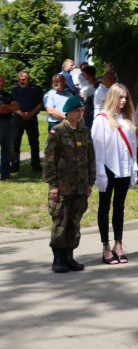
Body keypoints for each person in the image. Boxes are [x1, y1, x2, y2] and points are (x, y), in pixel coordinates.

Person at [43, 95, 94, 273]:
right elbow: (50, 161)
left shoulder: (85, 131)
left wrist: (90, 182)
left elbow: (90, 159)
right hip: (63, 186)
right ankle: (58, 258)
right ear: (68, 112)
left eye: (82, 111)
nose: (80, 114)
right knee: (61, 222)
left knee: (75, 221)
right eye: (77, 111)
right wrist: (53, 185)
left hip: (80, 186)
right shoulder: (57, 132)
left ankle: (70, 256)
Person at [92, 83, 138, 264]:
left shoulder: (128, 117)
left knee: (119, 207)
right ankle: (105, 246)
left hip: (125, 168)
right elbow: (98, 147)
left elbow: (132, 144)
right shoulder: (101, 119)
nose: (123, 101)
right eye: (120, 97)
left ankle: (118, 244)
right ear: (112, 97)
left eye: (125, 97)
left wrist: (134, 167)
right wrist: (100, 172)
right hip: (108, 168)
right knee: (104, 207)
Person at [11, 70, 44, 174]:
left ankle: (36, 165)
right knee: (15, 143)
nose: (21, 81)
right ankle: (14, 165)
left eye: (24, 79)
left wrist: (32, 113)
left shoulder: (37, 89)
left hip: (32, 118)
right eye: (20, 79)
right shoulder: (14, 90)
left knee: (34, 143)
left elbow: (40, 103)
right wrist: (22, 114)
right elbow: (12, 105)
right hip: (17, 119)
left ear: (28, 79)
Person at [0, 74, 18, 180]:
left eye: (2, 81)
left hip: (8, 124)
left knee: (6, 151)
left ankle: (5, 174)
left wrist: (6, 107)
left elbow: (17, 106)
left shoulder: (6, 95)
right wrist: (10, 107)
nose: (1, 83)